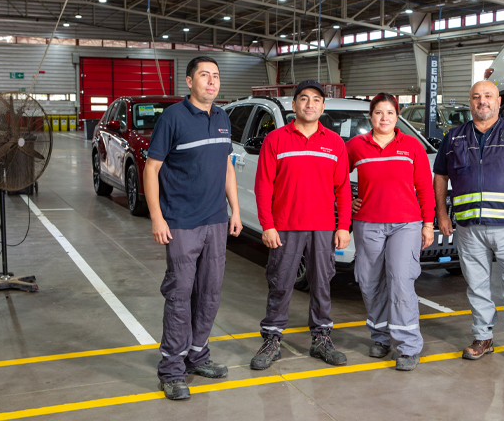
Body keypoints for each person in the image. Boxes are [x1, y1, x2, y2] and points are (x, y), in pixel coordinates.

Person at [144, 55, 243, 400]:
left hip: (216, 220)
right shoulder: (172, 118)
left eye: (216, 76)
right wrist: (157, 216)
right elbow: (152, 168)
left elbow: (227, 166)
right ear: (189, 81)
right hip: (182, 222)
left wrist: (235, 210)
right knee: (180, 295)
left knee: (210, 293)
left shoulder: (222, 118)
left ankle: (197, 355)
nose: (212, 81)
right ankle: (172, 370)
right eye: (204, 75)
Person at [433, 80, 504, 367]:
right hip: (469, 229)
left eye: (487, 96)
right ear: (470, 102)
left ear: (498, 101)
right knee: (476, 286)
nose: (482, 101)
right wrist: (442, 215)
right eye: (476, 97)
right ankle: (483, 337)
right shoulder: (454, 137)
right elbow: (440, 177)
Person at [251, 79, 352, 370]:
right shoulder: (276, 139)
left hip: (323, 227)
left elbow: (343, 188)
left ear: (323, 106)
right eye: (304, 99)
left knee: (321, 283)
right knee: (280, 282)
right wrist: (267, 225)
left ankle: (321, 338)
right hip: (285, 225)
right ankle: (271, 339)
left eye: (316, 99)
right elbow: (263, 185)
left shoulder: (334, 143)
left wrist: (343, 226)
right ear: (294, 105)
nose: (310, 104)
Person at [346, 93, 436, 371]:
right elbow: (335, 178)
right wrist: (348, 201)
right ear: (370, 116)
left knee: (400, 281)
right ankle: (380, 337)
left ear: (397, 117)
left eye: (389, 113)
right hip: (368, 222)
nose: (384, 118)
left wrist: (428, 223)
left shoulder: (411, 146)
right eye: (378, 113)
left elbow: (425, 186)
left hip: (405, 224)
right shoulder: (356, 146)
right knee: (369, 282)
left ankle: (408, 347)